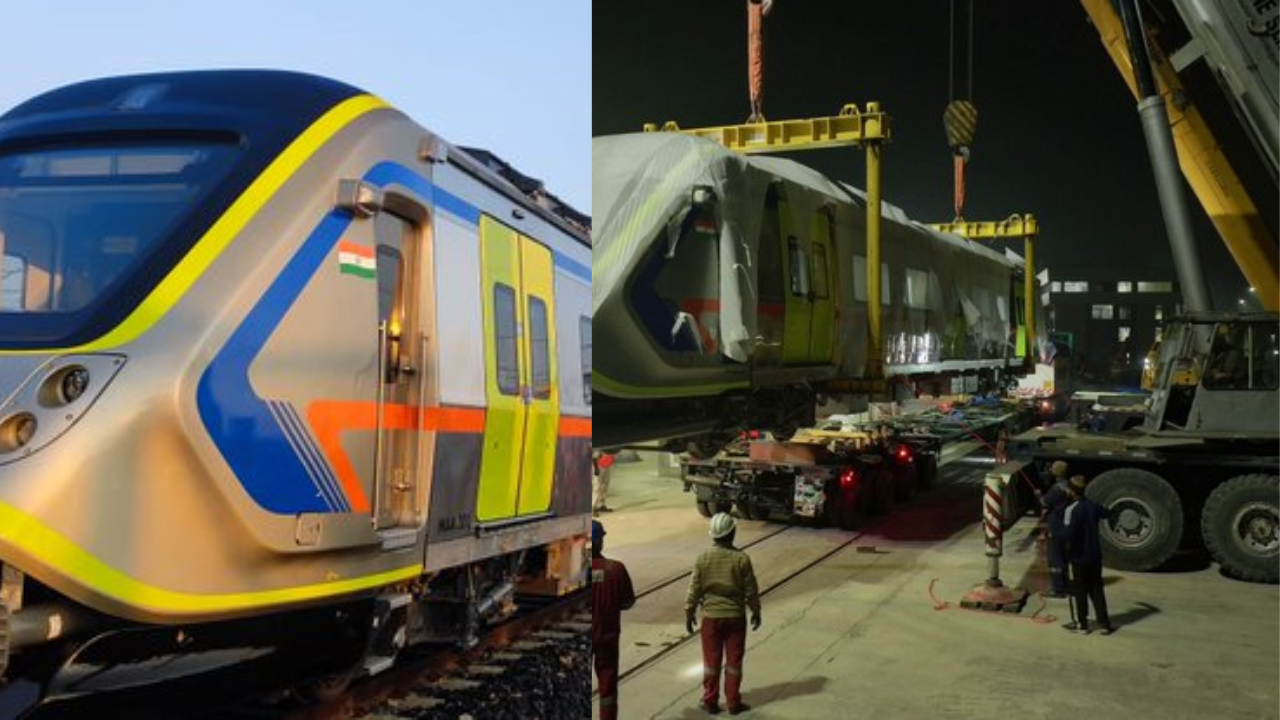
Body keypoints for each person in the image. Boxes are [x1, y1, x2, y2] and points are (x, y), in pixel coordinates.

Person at [685, 513, 761, 715]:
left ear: (713, 535)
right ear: (732, 533)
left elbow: (694, 588)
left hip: (711, 618)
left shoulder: (703, 558)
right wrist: (756, 611)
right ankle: (733, 703)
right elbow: (751, 589)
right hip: (735, 617)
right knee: (734, 662)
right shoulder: (742, 559)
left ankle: (710, 700)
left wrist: (689, 611)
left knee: (711, 662)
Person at [592, 520, 635, 720]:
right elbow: (627, 602)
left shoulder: (572, 573)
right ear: (600, 542)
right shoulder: (616, 569)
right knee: (607, 688)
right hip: (607, 638)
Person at [1062, 475, 1114, 635]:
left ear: (1072, 491)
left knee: (1080, 590)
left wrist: (1065, 553)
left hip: (1078, 557)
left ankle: (1082, 624)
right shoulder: (1093, 506)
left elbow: (1068, 536)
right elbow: (1108, 513)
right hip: (1095, 556)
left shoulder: (1071, 510)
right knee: (1096, 589)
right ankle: (1104, 623)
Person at [1039, 460, 1072, 598]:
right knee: (1064, 556)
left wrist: (1038, 495)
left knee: (1055, 558)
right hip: (1066, 526)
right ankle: (1065, 585)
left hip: (1056, 526)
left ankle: (1058, 589)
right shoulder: (1070, 486)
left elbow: (1045, 502)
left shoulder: (1056, 489)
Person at [593, 450, 615, 515]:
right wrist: (596, 468)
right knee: (597, 488)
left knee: (605, 487)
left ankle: (601, 505)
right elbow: (594, 458)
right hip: (599, 466)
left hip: (607, 466)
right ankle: (593, 507)